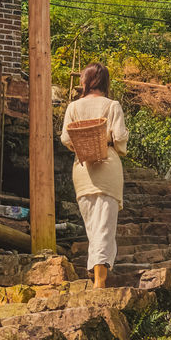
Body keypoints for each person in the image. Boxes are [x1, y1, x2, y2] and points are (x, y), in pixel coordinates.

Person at [60, 62, 129, 289]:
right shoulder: (112, 106)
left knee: (93, 227)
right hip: (107, 168)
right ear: (105, 82)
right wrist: (111, 143)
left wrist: (81, 146)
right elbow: (119, 137)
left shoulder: (73, 107)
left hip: (82, 170)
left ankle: (97, 274)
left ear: (85, 82)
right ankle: (100, 282)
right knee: (104, 227)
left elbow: (66, 138)